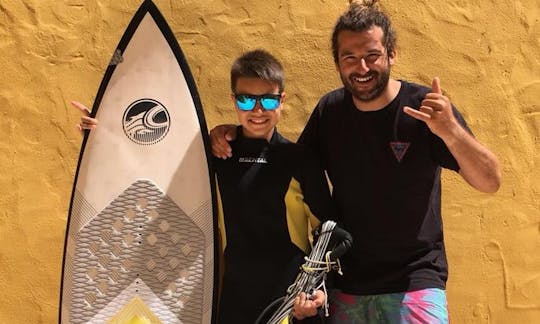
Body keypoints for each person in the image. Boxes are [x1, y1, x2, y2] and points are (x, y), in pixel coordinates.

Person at [210, 1, 501, 323]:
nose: (361, 67)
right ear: (337, 63)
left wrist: (452, 132)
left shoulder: (424, 109)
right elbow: (286, 165)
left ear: (392, 54)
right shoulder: (329, 112)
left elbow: (490, 181)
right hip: (347, 285)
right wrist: (229, 134)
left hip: (414, 281)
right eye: (350, 57)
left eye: (372, 55)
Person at [73, 49, 342, 323]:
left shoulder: (300, 160)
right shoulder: (215, 156)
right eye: (247, 100)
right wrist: (103, 135)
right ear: (234, 101)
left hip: (290, 299)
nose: (258, 110)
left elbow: (329, 231)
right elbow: (153, 160)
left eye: (268, 101)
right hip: (232, 299)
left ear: (282, 100)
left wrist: (319, 290)